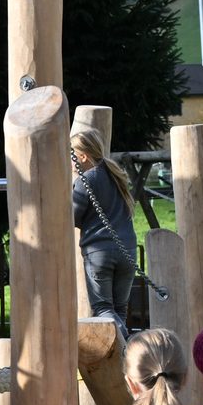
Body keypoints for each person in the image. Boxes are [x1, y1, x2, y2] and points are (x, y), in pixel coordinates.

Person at [71, 127, 137, 335]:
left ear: (82, 156)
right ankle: (124, 356)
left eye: (71, 156)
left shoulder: (85, 180)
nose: (70, 162)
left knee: (103, 310)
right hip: (127, 251)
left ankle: (126, 345)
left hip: (99, 252)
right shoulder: (117, 175)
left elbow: (71, 216)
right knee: (120, 310)